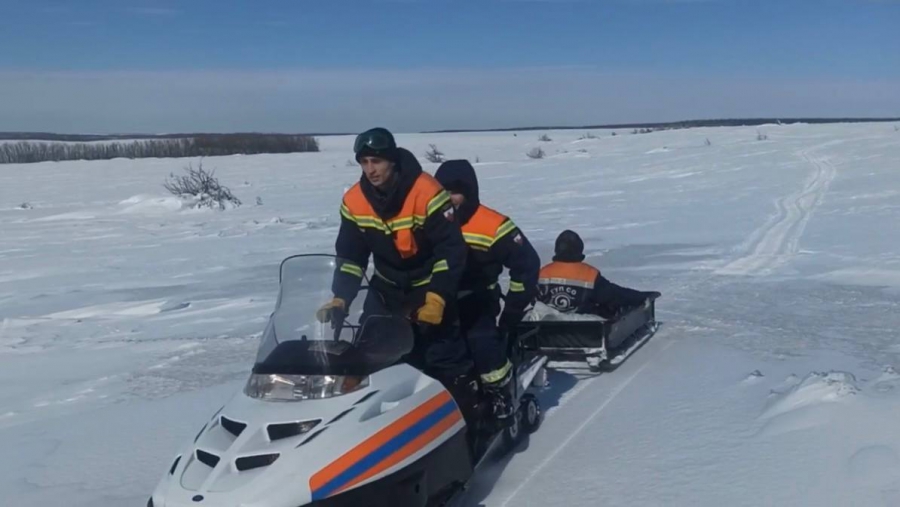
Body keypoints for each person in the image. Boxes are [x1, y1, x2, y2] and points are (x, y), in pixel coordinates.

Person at [316, 127, 473, 386]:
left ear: (392, 160)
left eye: (376, 161)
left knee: (442, 357)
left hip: (429, 287)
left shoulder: (427, 192)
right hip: (386, 289)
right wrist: (341, 297)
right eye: (364, 162)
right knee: (372, 354)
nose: (370, 170)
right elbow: (351, 256)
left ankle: (464, 403)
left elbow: (450, 250)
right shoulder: (354, 201)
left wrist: (438, 297)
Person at [435, 159, 540, 425]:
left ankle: (499, 393)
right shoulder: (429, 222)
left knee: (481, 340)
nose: (449, 198)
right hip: (437, 300)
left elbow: (527, 265)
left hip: (478, 299)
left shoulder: (493, 224)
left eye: (455, 192)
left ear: (469, 192)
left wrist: (513, 309)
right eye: (443, 191)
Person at [538, 230, 660, 317]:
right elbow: (615, 295)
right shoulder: (589, 274)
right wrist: (641, 297)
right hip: (585, 331)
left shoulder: (543, 273)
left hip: (548, 329)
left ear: (557, 250)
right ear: (579, 250)